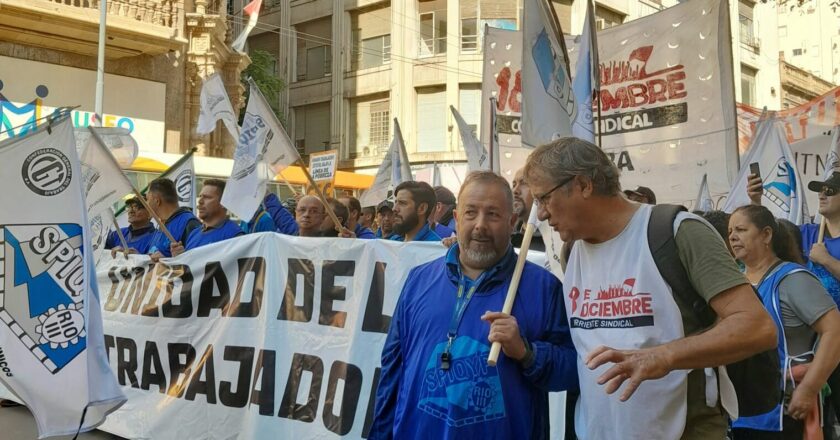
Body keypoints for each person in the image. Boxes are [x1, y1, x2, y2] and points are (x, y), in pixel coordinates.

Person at [524, 137, 777, 439]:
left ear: (583, 185)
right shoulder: (572, 250)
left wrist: (663, 356)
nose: (540, 214)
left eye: (544, 199)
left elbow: (757, 327)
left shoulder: (676, 232)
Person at [370, 171, 577, 439]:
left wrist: (527, 353)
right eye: (470, 213)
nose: (480, 225)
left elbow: (573, 371)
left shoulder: (544, 289)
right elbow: (392, 369)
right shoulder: (419, 279)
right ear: (456, 218)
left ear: (512, 222)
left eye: (493, 214)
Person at [728, 205, 840, 438]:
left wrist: (810, 387)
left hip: (785, 412)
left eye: (740, 229)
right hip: (739, 413)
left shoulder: (792, 279)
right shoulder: (733, 283)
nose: (733, 236)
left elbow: (835, 331)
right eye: (730, 231)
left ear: (766, 235)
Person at [749, 171, 840, 428]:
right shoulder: (809, 232)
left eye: (831, 190)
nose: (822, 194)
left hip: (836, 339)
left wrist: (828, 261)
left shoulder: (820, 247)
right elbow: (768, 239)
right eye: (820, 189)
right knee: (818, 422)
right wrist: (756, 202)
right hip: (812, 349)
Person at [171, 179, 243, 256]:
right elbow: (189, 266)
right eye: (200, 196)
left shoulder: (235, 236)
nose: (200, 201)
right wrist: (180, 258)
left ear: (223, 202)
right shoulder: (194, 233)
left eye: (207, 197)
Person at [146, 178, 201, 260]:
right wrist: (138, 257)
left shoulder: (189, 223)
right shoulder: (161, 225)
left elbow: (197, 260)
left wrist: (170, 259)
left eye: (147, 199)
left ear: (157, 200)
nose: (146, 204)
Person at [511, 167, 545, 252]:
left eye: (524, 183)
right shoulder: (509, 234)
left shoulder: (552, 236)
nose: (515, 190)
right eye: (514, 185)